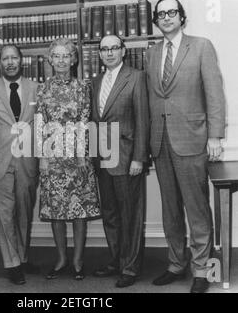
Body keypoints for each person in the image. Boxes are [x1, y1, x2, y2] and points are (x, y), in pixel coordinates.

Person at [145, 0, 226, 293]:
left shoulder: (202, 46)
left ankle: (203, 271)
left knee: (197, 209)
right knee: (170, 210)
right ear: (156, 21)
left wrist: (215, 135)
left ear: (181, 17)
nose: (166, 17)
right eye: (160, 14)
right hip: (160, 142)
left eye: (171, 12)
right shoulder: (152, 54)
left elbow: (215, 93)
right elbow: (154, 99)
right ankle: (176, 263)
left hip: (192, 140)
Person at [36, 38, 100, 280]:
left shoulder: (83, 86)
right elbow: (41, 124)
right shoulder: (43, 89)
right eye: (57, 56)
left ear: (73, 60)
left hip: (78, 156)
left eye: (66, 56)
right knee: (56, 210)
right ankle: (61, 259)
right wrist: (42, 157)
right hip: (52, 158)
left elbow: (85, 122)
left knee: (79, 209)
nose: (62, 60)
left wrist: (82, 156)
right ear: (50, 60)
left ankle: (78, 260)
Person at [0, 45, 39, 285]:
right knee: (5, 213)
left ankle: (22, 257)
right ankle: (11, 262)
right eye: (5, 58)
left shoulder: (35, 88)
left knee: (24, 210)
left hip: (27, 160)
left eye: (14, 57)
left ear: (21, 60)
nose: (10, 62)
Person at [91, 35, 149, 288]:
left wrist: (139, 158)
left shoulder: (136, 77)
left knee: (130, 215)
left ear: (123, 51)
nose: (109, 53)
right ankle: (116, 259)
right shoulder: (95, 82)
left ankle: (130, 267)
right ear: (100, 54)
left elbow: (143, 120)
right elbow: (94, 121)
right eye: (104, 49)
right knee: (110, 214)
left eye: (114, 48)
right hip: (102, 158)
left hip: (127, 158)